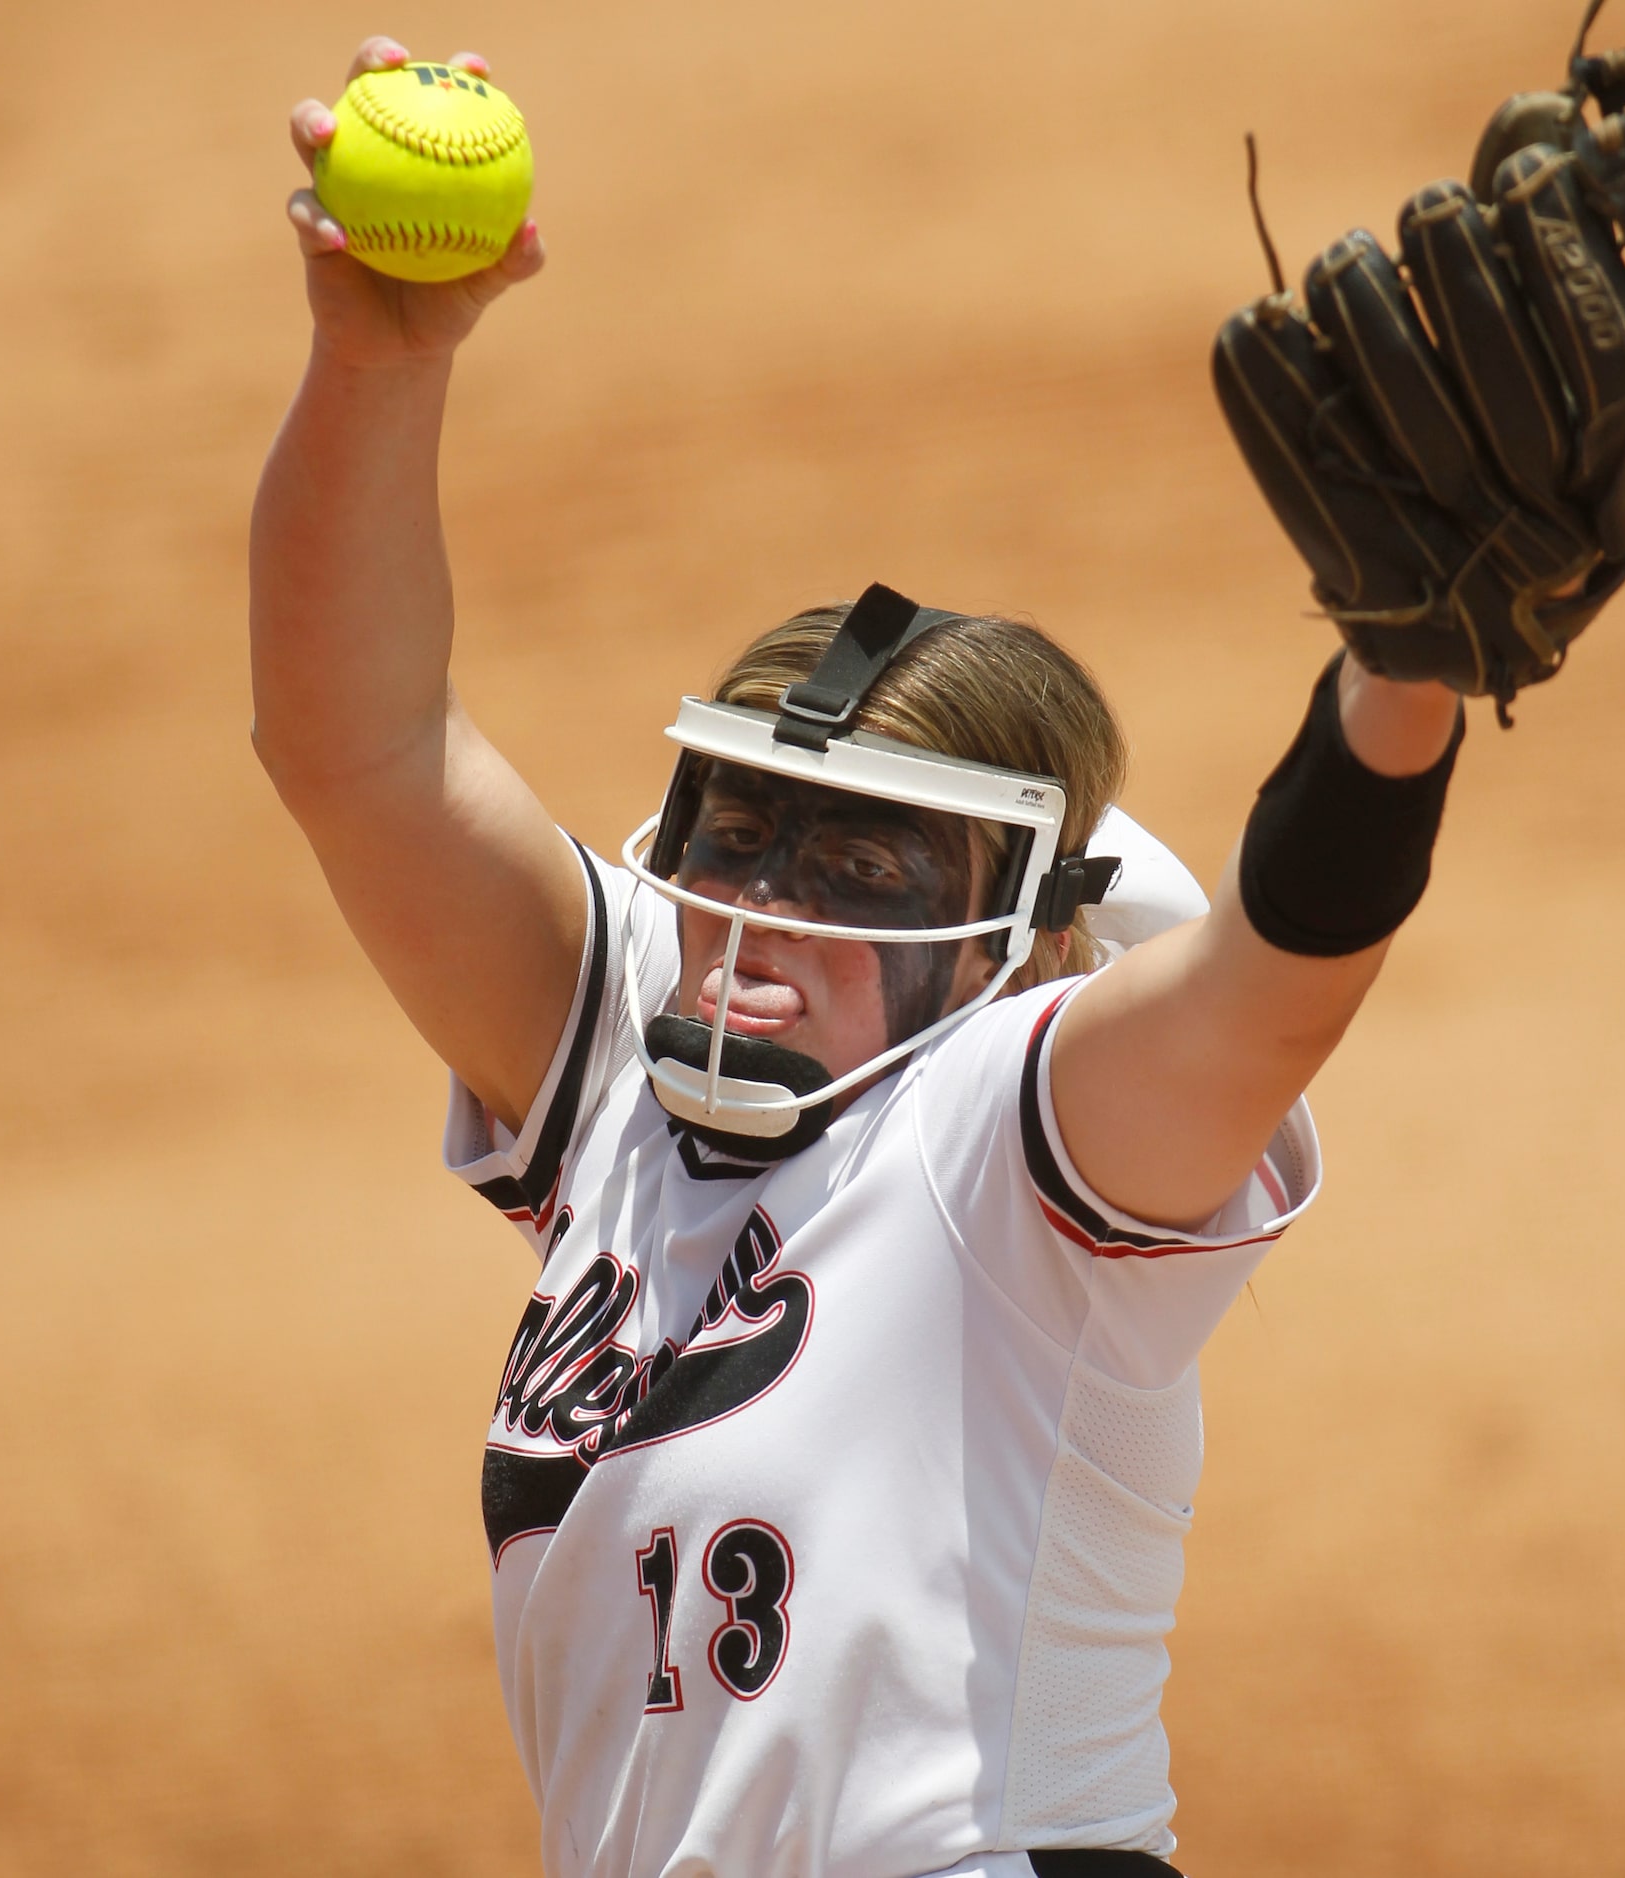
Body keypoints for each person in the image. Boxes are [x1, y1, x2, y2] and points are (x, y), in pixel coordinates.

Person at [253, 39, 1468, 1878]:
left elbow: (1287, 965)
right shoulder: (619, 1109)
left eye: (870, 866)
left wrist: (1403, 677)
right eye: (738, 835)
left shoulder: (1008, 1128)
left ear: (1012, 936)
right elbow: (352, 753)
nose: (765, 911)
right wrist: (372, 366)